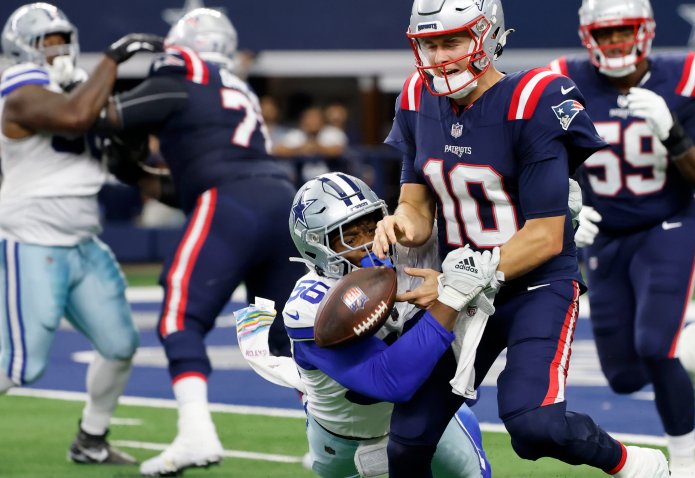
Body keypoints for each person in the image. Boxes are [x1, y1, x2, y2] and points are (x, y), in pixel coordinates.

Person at [372, 0, 670, 476]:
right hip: (457, 285)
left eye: (453, 40)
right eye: (429, 44)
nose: (441, 57)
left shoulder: (535, 99)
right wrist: (401, 223)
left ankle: (633, 463)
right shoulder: (414, 96)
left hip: (535, 284)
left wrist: (456, 284)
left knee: (535, 427)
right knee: (407, 439)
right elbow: (418, 204)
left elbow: (547, 236)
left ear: (488, 37)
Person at [95, 8, 302, 476]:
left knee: (177, 316)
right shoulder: (237, 87)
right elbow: (192, 180)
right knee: (291, 334)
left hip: (231, 200)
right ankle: (338, 437)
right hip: (279, 201)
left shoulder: (180, 75)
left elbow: (102, 116)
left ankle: (195, 433)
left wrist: (101, 118)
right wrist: (140, 175)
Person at [547, 0, 695, 476]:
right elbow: (539, 160)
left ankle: (685, 462)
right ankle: (688, 354)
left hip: (667, 222)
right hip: (603, 234)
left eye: (624, 31)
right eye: (605, 34)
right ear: (589, 37)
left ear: (645, 30)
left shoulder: (682, 77)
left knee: (653, 344)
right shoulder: (565, 82)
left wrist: (673, 133)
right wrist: (567, 207)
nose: (615, 42)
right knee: (624, 377)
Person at [236, 172, 491, 478]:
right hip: (345, 444)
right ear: (317, 247)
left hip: (416, 416)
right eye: (351, 237)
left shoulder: (412, 251)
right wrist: (450, 299)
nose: (371, 244)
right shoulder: (311, 306)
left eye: (372, 228)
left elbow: (484, 247)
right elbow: (391, 380)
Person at [0, 2, 161, 465]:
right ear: (21, 48)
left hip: (83, 238)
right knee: (20, 366)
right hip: (31, 237)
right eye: (44, 42)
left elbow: (114, 140)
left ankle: (91, 440)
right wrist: (112, 60)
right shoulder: (19, 88)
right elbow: (73, 117)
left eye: (60, 39)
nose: (56, 49)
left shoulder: (76, 87)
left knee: (119, 345)